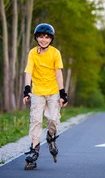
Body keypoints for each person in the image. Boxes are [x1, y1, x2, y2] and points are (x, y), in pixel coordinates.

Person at [23, 23, 68, 170]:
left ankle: (51, 137)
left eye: (47, 37)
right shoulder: (32, 53)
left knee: (53, 120)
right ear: (36, 38)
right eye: (41, 37)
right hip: (37, 92)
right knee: (35, 120)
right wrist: (27, 89)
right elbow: (28, 71)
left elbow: (58, 74)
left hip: (53, 91)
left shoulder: (55, 53)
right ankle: (34, 151)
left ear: (51, 39)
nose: (44, 40)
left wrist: (63, 93)